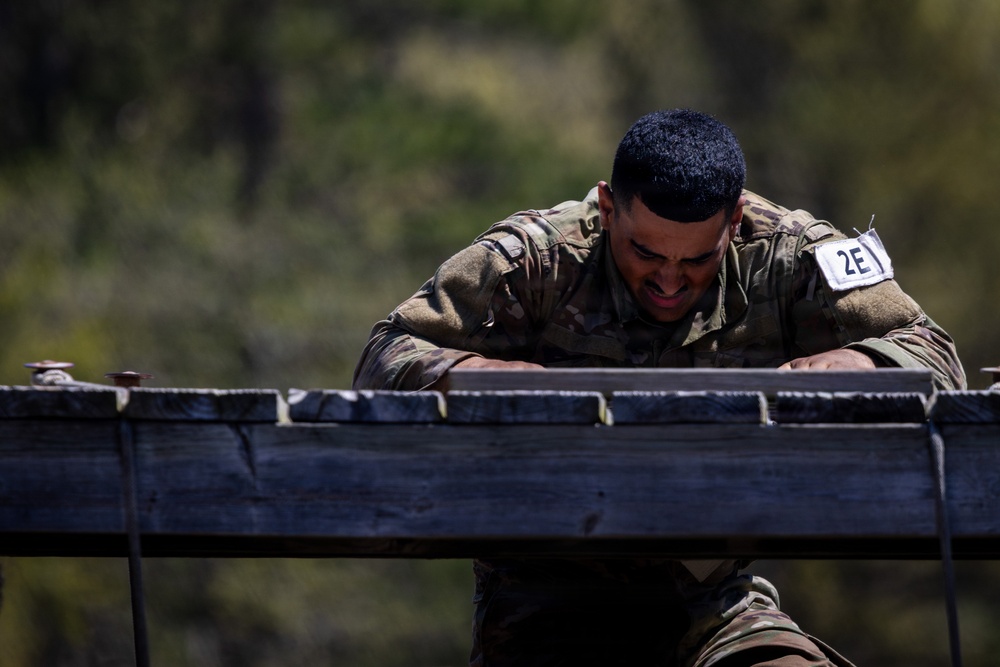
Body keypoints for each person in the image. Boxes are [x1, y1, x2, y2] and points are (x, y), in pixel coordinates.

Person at [353, 109, 966, 667]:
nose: (670, 281)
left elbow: (935, 354)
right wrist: (479, 376)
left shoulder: (790, 253)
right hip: (545, 600)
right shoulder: (540, 257)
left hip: (711, 601)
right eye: (644, 254)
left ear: (734, 221)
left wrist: (862, 363)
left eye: (697, 261)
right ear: (608, 207)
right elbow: (387, 350)